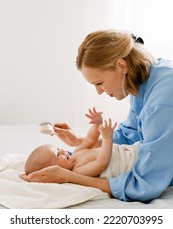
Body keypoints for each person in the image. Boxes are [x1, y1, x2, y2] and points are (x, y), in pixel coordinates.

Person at [20, 29, 173, 202]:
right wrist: (80, 141)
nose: (99, 92)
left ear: (121, 66)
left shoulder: (162, 103)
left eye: (99, 83)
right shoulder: (145, 76)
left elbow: (144, 185)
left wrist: (68, 176)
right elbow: (132, 135)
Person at [24, 108, 138, 178]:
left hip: (128, 150)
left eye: (59, 149)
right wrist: (107, 139)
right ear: (53, 169)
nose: (63, 150)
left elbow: (90, 139)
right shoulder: (78, 171)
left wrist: (97, 124)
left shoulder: (76, 152)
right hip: (130, 162)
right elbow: (101, 163)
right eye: (58, 155)